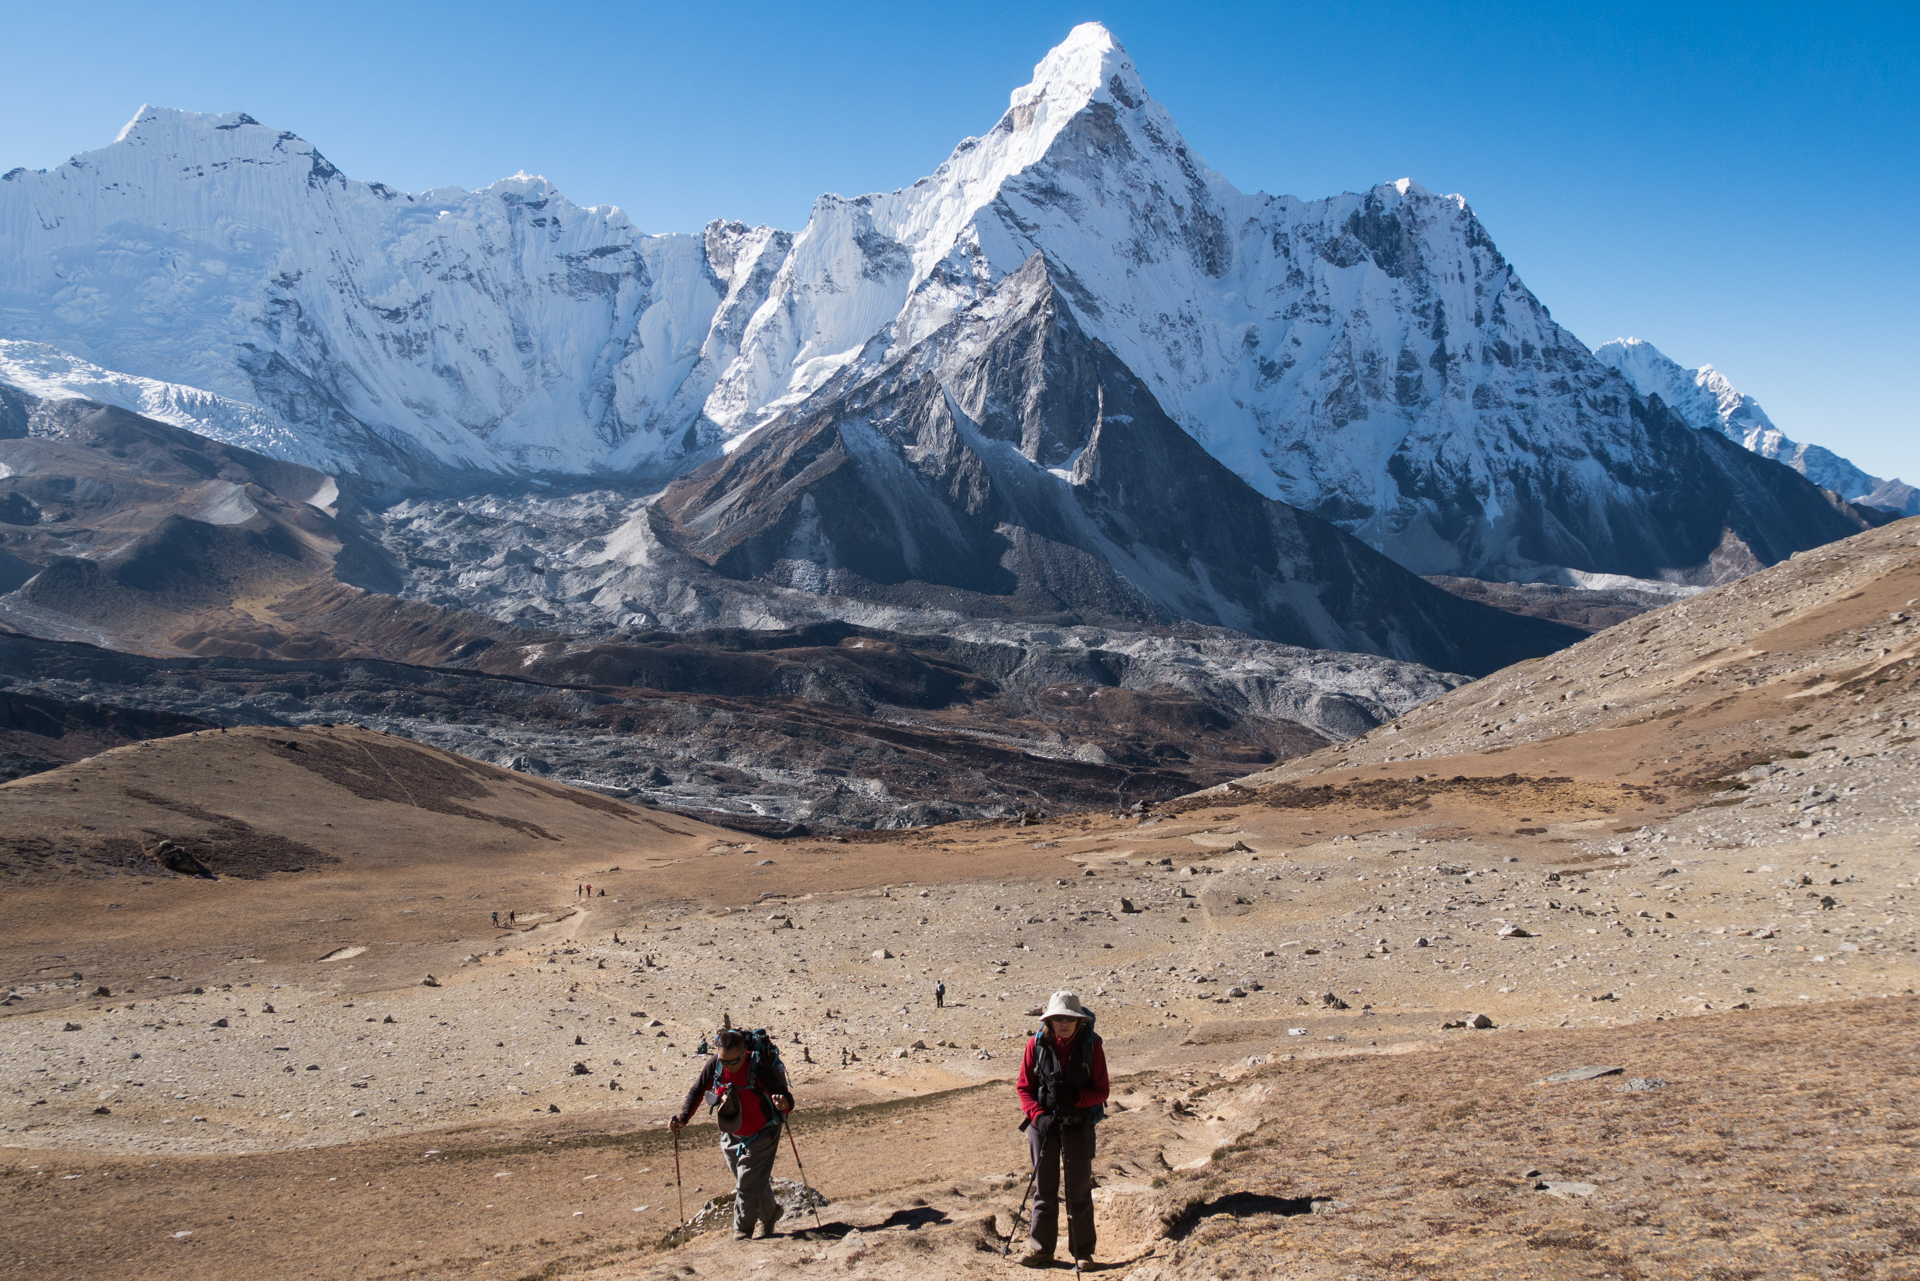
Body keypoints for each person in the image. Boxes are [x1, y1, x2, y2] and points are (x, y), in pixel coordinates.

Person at [1013, 990, 1109, 1270]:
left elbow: (1101, 1091)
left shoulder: (1092, 1045)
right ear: (1050, 1021)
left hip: (1078, 1125)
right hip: (1042, 1127)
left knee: (1079, 1188)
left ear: (1079, 1021)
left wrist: (1076, 1099)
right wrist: (1039, 1117)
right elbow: (1024, 1088)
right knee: (1044, 1188)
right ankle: (1042, 1250)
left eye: (1069, 1018)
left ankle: (1083, 1252)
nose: (1063, 1024)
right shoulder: (1036, 1044)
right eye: (1058, 1019)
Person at [672, 1029, 795, 1241]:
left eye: (732, 1061)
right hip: (731, 1132)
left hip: (764, 1132)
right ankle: (770, 1213)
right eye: (723, 1061)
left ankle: (742, 1232)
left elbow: (786, 1099)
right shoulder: (715, 1064)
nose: (727, 1066)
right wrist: (683, 1119)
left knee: (746, 1181)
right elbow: (698, 1090)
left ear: (743, 1053)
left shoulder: (758, 1066)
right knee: (750, 1179)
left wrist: (783, 1103)